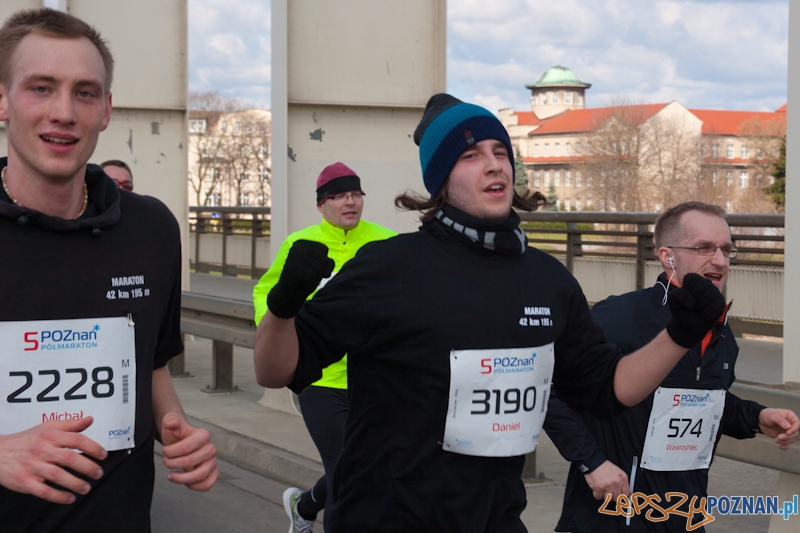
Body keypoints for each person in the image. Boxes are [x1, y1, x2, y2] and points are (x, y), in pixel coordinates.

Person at [253, 93, 726, 532]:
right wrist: (283, 307)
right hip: (385, 518)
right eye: (470, 155)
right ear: (441, 178)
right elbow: (275, 371)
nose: (494, 163)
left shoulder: (547, 279)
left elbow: (611, 388)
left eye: (501, 152)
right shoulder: (388, 267)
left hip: (496, 519)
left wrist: (680, 333)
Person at [0, 8, 218, 531]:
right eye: (41, 88)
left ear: (106, 110)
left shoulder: (152, 229)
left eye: (85, 92)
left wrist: (176, 428)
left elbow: (151, 363)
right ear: (2, 100)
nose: (64, 112)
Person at [543, 201, 799, 532]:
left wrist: (757, 417)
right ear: (668, 257)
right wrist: (591, 462)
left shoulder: (721, 332)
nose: (720, 260)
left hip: (683, 517)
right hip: (610, 518)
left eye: (726, 249)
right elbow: (545, 386)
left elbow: (700, 399)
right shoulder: (620, 317)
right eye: (704, 248)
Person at [252, 162, 395, 532]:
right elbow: (267, 293)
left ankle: (304, 505)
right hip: (320, 379)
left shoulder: (386, 243)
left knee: (365, 465)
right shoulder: (302, 245)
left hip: (375, 379)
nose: (350, 202)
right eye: (338, 196)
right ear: (321, 205)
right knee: (348, 473)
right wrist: (276, 337)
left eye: (356, 194)